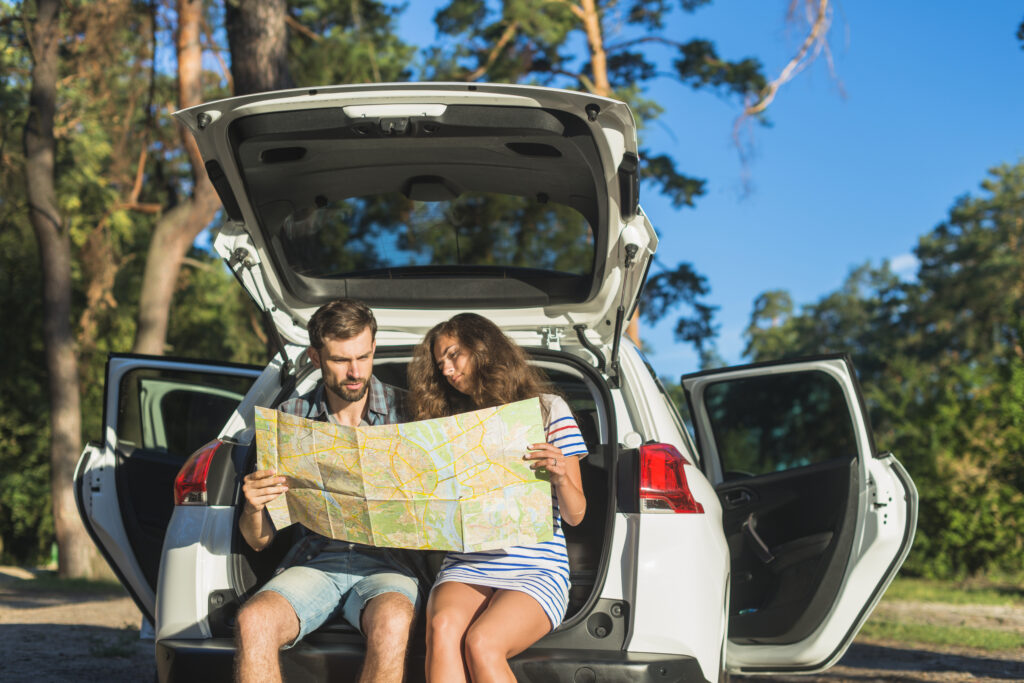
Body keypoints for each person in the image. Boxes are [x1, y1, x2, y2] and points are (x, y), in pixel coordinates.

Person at [235, 298, 420, 683]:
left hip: (389, 565)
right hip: (314, 563)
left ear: (373, 350)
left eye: (363, 357)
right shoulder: (290, 419)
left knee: (394, 621)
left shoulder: (411, 414)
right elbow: (259, 541)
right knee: (254, 619)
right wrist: (253, 508)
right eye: (340, 360)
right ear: (316, 357)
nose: (355, 372)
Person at [407, 312, 588, 682]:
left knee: (482, 642)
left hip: (536, 567)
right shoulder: (448, 422)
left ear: (482, 348)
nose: (446, 369)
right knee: (443, 628)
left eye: (454, 355)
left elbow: (577, 514)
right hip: (468, 561)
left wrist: (560, 476)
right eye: (440, 362)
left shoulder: (548, 409)